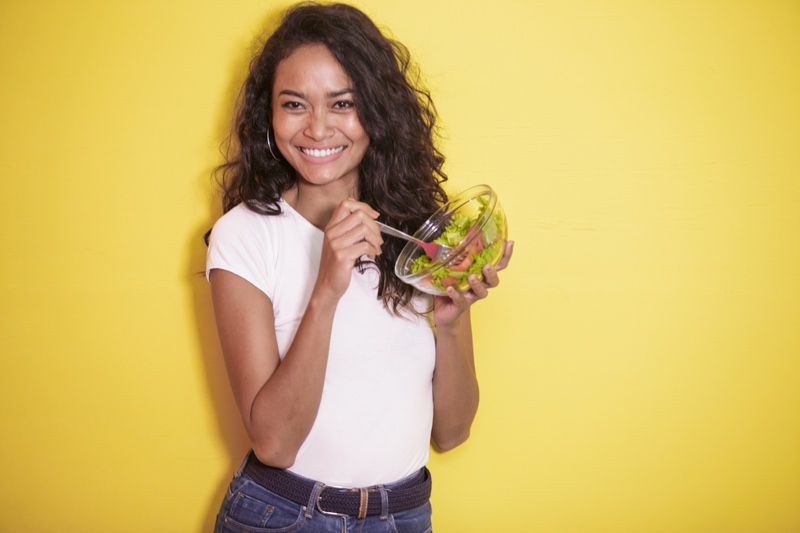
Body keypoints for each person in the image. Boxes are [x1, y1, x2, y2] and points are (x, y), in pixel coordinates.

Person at [205, 2, 513, 532]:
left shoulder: (419, 241)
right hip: (287, 516)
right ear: (269, 115)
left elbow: (453, 431)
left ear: (377, 111)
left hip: (405, 516)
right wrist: (327, 289)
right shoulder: (245, 236)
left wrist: (451, 322)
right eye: (294, 104)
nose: (317, 128)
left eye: (342, 103)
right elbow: (274, 443)